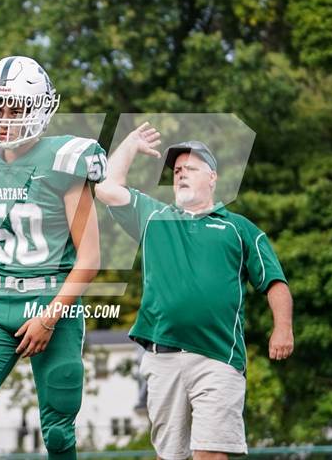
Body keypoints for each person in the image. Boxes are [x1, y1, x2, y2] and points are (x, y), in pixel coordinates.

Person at [95, 124, 294, 460]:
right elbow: (105, 188)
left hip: (218, 357)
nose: (181, 175)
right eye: (176, 171)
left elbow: (275, 282)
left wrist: (283, 328)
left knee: (211, 454)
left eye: (190, 168)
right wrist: (130, 144)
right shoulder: (154, 217)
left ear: (212, 177)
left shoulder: (239, 228)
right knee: (169, 456)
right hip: (162, 358)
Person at [0, 56, 105, 460]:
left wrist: (49, 318)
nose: (3, 118)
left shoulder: (64, 159)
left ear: (39, 108)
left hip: (53, 296)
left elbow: (90, 259)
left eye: (15, 108)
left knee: (58, 431)